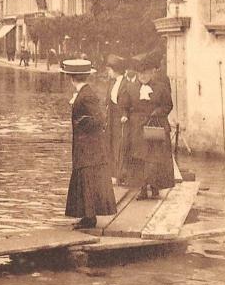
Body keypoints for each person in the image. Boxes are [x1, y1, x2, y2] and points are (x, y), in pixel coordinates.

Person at [60, 59, 117, 229]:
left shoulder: (86, 95)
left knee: (87, 177)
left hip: (89, 146)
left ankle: (90, 217)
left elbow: (100, 119)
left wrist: (81, 123)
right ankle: (87, 215)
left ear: (72, 78)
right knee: (85, 177)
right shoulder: (85, 93)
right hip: (86, 144)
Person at [124, 55, 175, 199]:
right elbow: (125, 105)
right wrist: (124, 115)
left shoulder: (161, 88)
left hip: (155, 124)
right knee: (139, 157)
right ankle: (142, 189)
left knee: (155, 157)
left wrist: (157, 112)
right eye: (140, 73)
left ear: (152, 72)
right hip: (137, 127)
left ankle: (155, 185)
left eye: (146, 73)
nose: (143, 76)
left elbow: (168, 105)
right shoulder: (131, 88)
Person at [104, 54, 130, 185]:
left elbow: (128, 101)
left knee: (120, 146)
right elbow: (108, 101)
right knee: (111, 145)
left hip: (121, 119)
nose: (108, 72)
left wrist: (125, 114)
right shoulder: (111, 83)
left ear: (115, 70)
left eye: (109, 70)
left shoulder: (126, 84)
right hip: (112, 118)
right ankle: (113, 173)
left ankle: (121, 175)